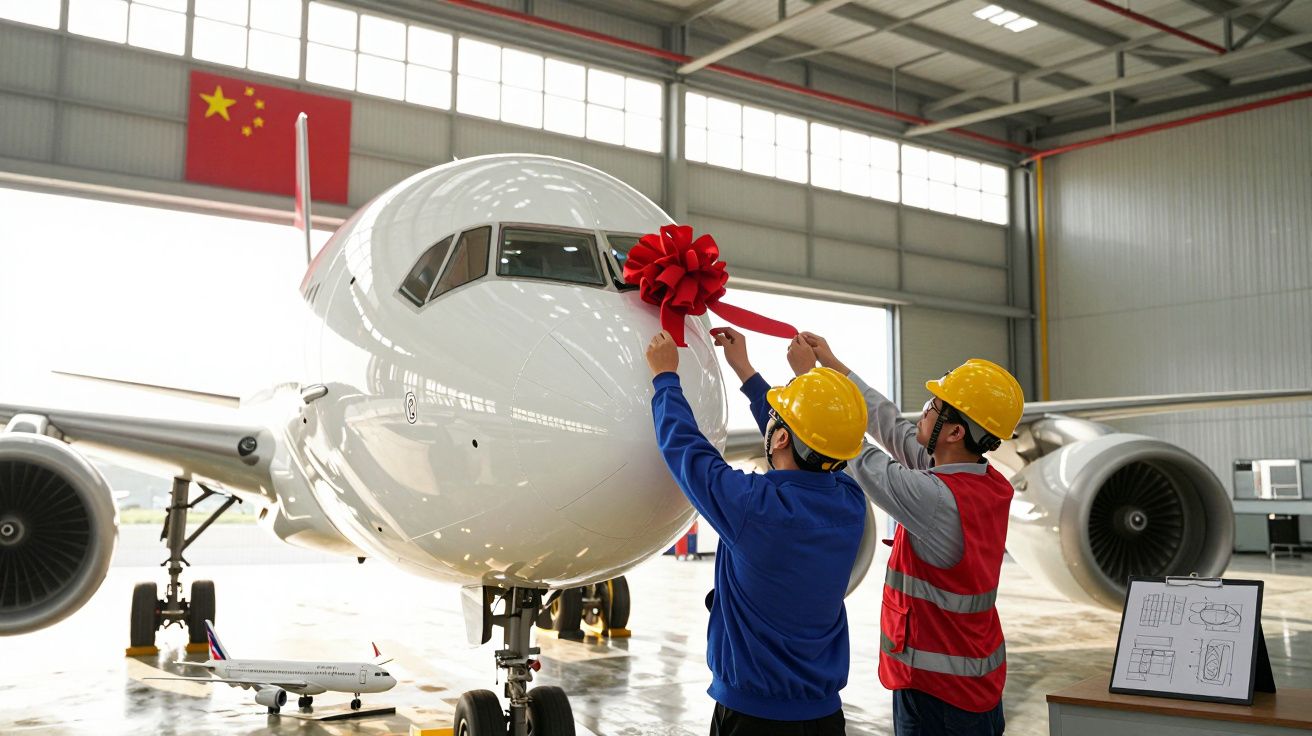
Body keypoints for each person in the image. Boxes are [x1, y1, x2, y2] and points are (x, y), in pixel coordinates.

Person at [792, 333, 1024, 736]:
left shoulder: (935, 499)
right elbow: (890, 425)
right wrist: (833, 365)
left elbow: (858, 457)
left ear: (954, 433)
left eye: (934, 407)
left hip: (940, 696)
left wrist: (804, 385)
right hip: (975, 683)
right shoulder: (980, 480)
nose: (923, 413)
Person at [644, 327, 867, 736]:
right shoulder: (850, 504)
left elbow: (686, 451)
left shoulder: (755, 508)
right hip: (823, 718)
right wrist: (745, 371)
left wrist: (665, 379)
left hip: (753, 718)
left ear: (779, 435)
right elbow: (811, 442)